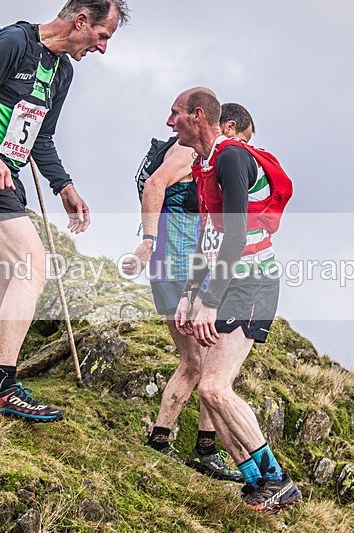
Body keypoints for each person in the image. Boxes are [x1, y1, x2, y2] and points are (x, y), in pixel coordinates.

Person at [0, 0, 129, 421]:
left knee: (8, 281)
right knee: (32, 265)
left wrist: (65, 186)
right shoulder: (14, 41)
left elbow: (40, 138)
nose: (102, 48)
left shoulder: (63, 72)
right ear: (80, 21)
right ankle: (4, 385)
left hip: (4, 175)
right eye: (102, 36)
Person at [168, 88, 301, 513]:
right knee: (209, 393)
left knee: (214, 386)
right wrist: (190, 296)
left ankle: (278, 479)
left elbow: (238, 235)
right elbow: (207, 238)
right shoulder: (204, 164)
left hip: (253, 284)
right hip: (229, 283)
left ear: (199, 115)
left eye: (176, 115)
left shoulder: (230, 158)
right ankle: (255, 482)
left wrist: (209, 300)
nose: (170, 123)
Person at [122, 103, 256, 483]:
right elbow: (154, 185)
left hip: (175, 267)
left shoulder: (198, 157)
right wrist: (147, 242)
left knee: (196, 361)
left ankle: (166, 440)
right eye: (241, 141)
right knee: (207, 362)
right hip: (181, 266)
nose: (240, 151)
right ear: (227, 126)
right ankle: (203, 450)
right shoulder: (186, 152)